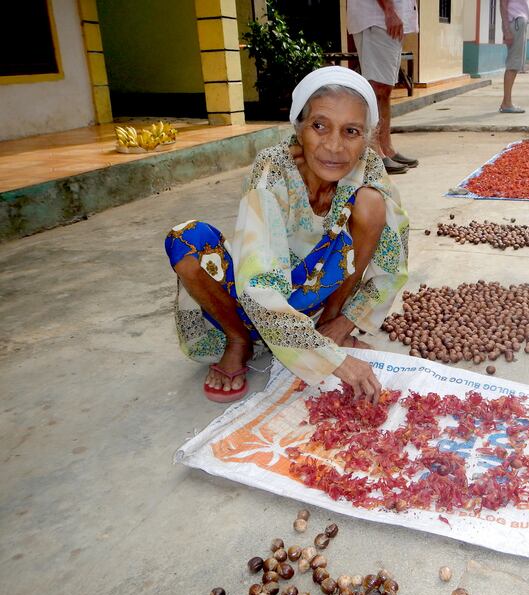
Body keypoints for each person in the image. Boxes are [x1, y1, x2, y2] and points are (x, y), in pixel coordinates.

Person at [164, 66, 409, 404]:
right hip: (250, 302)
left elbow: (393, 258)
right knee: (186, 240)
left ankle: (330, 324)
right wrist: (331, 359)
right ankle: (239, 340)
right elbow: (258, 284)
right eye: (319, 126)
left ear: (366, 138)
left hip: (316, 301)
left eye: (351, 131)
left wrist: (346, 322)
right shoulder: (273, 168)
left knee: (371, 204)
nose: (334, 146)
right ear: (298, 127)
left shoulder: (368, 167)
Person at [347, 0, 419, 175]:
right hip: (378, 17)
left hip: (385, 17)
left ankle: (387, 148)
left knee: (384, 90)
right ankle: (374, 153)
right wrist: (389, 10)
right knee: (376, 88)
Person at [499, 0, 529, 113]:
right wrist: (506, 30)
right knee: (513, 63)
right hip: (516, 22)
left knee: (515, 64)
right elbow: (503, 4)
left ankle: (506, 102)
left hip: (519, 22)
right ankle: (507, 104)